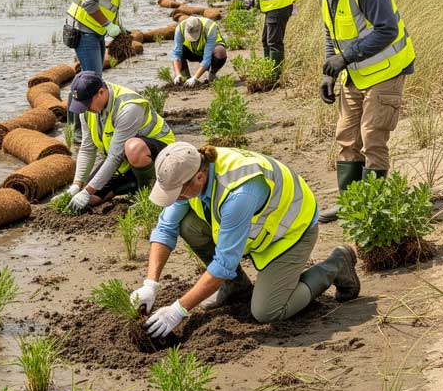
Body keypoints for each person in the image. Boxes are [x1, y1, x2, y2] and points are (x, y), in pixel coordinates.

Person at [130, 142, 359, 335]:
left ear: (198, 178)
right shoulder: (191, 167)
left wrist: (178, 310)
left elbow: (224, 264)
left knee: (268, 311)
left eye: (178, 193)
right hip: (254, 228)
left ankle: (336, 265)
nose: (175, 198)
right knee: (188, 224)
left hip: (290, 231)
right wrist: (150, 285)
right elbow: (166, 227)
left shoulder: (238, 193)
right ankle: (236, 286)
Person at [291, 0, 416, 222]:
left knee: (373, 138)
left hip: (386, 72)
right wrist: (329, 71)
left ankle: (372, 210)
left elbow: (388, 30)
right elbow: (330, 33)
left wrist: (345, 57)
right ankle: (350, 203)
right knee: (347, 138)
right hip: (354, 75)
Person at [56, 73, 175, 212]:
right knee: (91, 199)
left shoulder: (129, 107)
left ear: (101, 92)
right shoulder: (87, 109)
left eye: (87, 104)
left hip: (161, 154)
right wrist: (77, 186)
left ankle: (148, 196)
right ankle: (132, 184)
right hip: (123, 158)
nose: (85, 108)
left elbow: (115, 156)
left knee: (134, 148)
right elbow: (87, 149)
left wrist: (88, 190)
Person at [170, 15, 227, 87]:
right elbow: (176, 54)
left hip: (209, 53)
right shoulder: (180, 28)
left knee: (220, 51)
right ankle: (185, 77)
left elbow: (207, 58)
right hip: (192, 52)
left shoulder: (210, 28)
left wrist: (195, 77)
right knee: (179, 51)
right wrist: (177, 74)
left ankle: (212, 74)